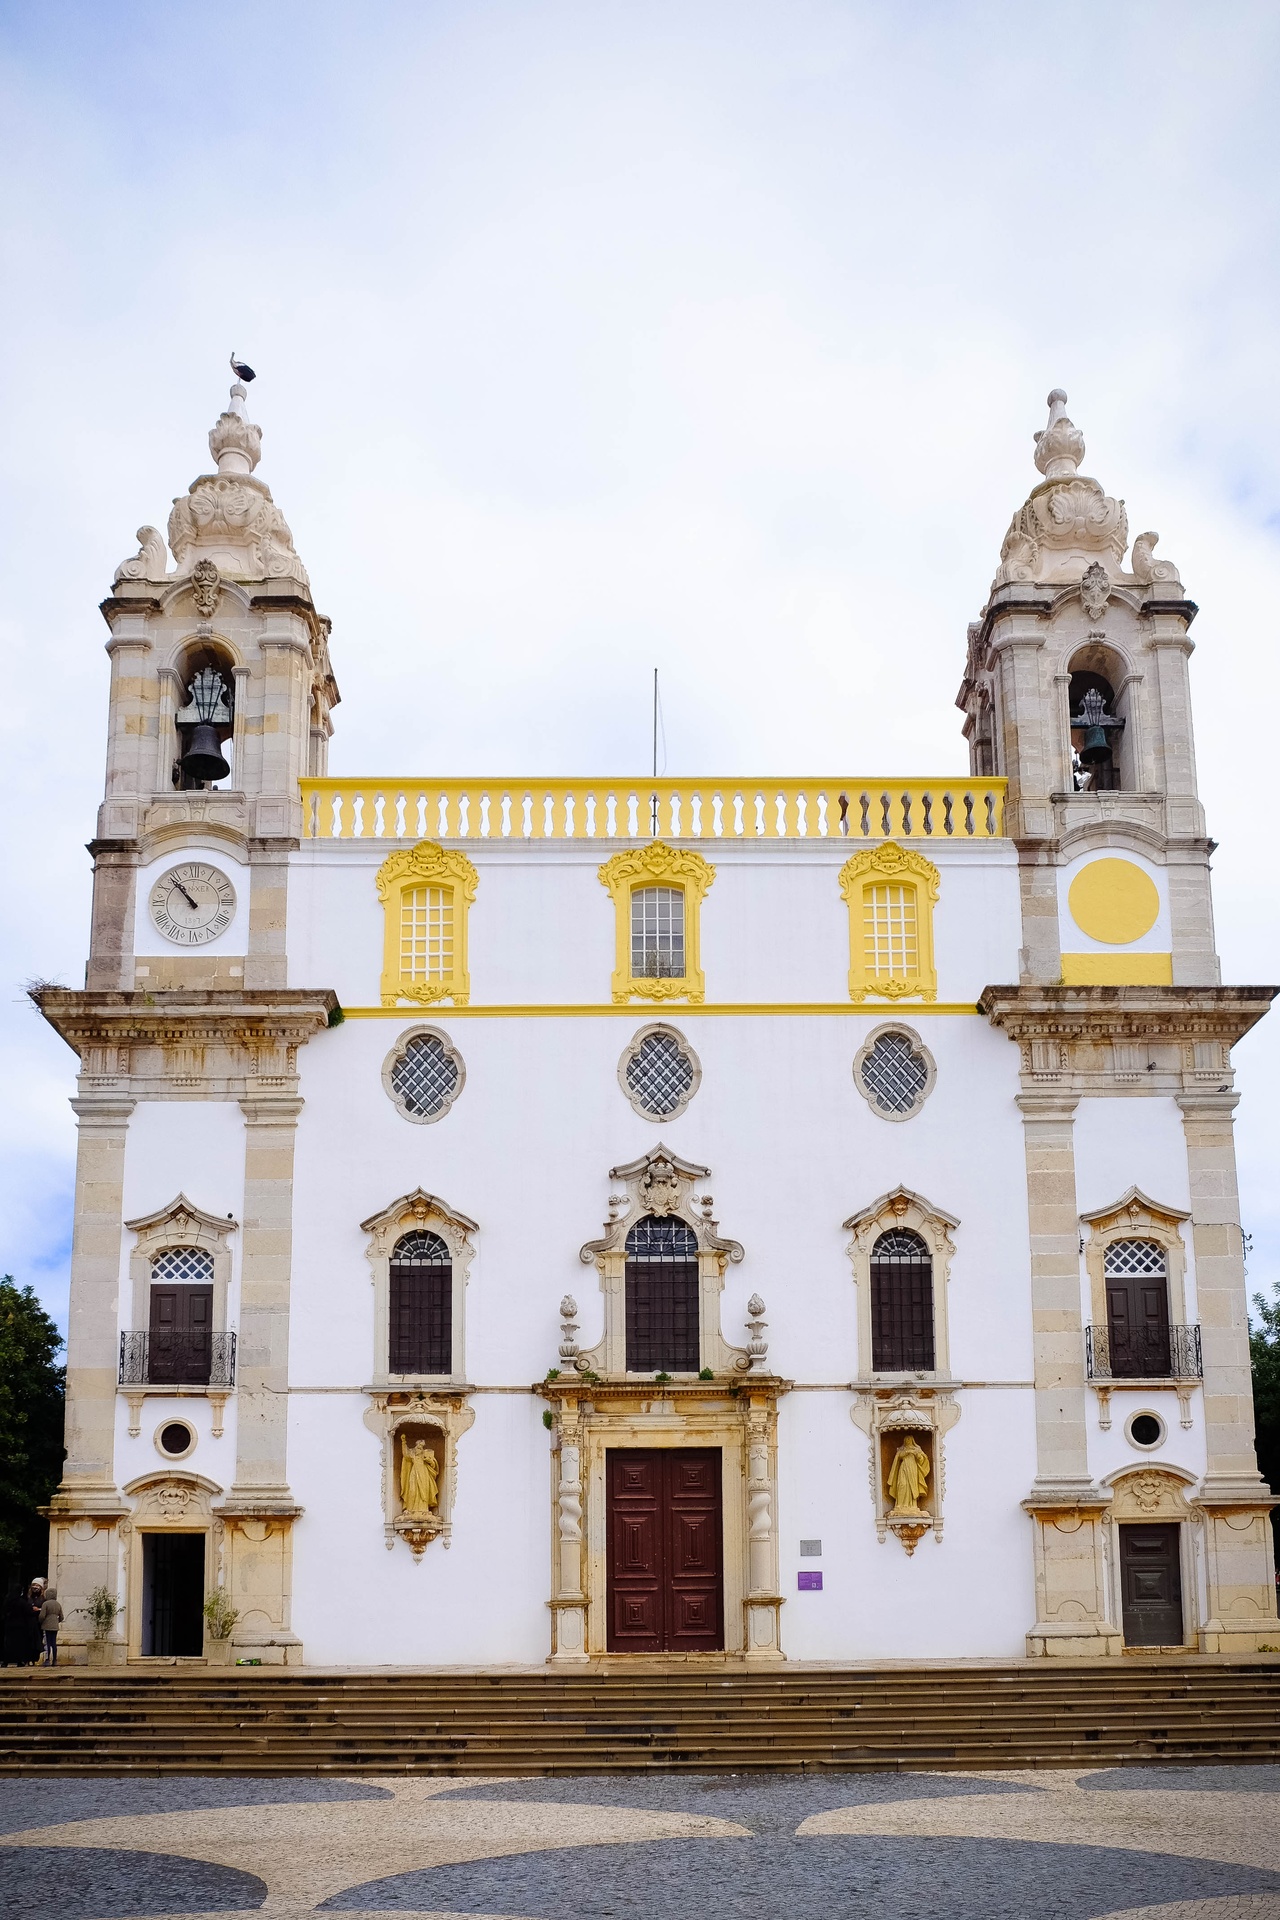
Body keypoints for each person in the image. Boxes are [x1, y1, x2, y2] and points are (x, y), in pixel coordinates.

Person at [2, 1588, 33, 1666]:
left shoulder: (7, 1601)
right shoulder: (21, 1602)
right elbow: (28, 1612)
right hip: (20, 1626)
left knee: (8, 1644)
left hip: (9, 1625)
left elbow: (4, 1612)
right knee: (19, 1644)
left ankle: (5, 1661)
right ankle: (19, 1661)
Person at [38, 1586, 63, 1666]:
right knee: (54, 1643)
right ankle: (55, 1660)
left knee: (48, 1643)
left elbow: (42, 1616)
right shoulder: (58, 1604)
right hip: (55, 1625)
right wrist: (56, 1621)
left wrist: (41, 1622)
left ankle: (47, 1659)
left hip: (47, 1625)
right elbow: (62, 1617)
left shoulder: (45, 1604)